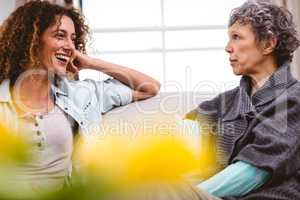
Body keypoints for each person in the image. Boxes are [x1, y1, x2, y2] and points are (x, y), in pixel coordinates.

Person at [0, 0, 160, 192]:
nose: (70, 47)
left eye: (73, 39)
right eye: (60, 36)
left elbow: (149, 88)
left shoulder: (80, 95)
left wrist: (92, 63)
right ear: (31, 39)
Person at [186, 0, 300, 200]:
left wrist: (185, 196)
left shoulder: (294, 100)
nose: (228, 48)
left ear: (268, 44)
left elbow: (254, 172)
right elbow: (184, 139)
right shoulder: (225, 101)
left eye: (237, 37)